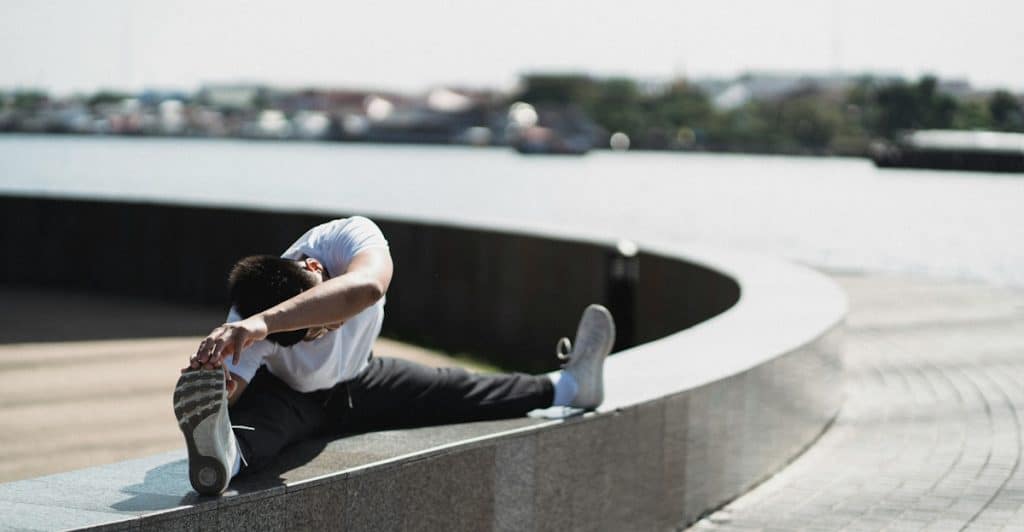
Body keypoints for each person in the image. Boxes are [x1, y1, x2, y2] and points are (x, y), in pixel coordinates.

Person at [173, 216, 615, 495]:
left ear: (315, 269)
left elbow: (368, 287)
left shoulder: (347, 237)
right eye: (312, 335)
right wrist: (219, 389)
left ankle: (572, 386)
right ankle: (221, 462)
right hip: (294, 397)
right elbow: (238, 385)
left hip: (362, 381)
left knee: (455, 387)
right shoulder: (245, 314)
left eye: (323, 323)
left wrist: (268, 324)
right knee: (259, 426)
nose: (325, 333)